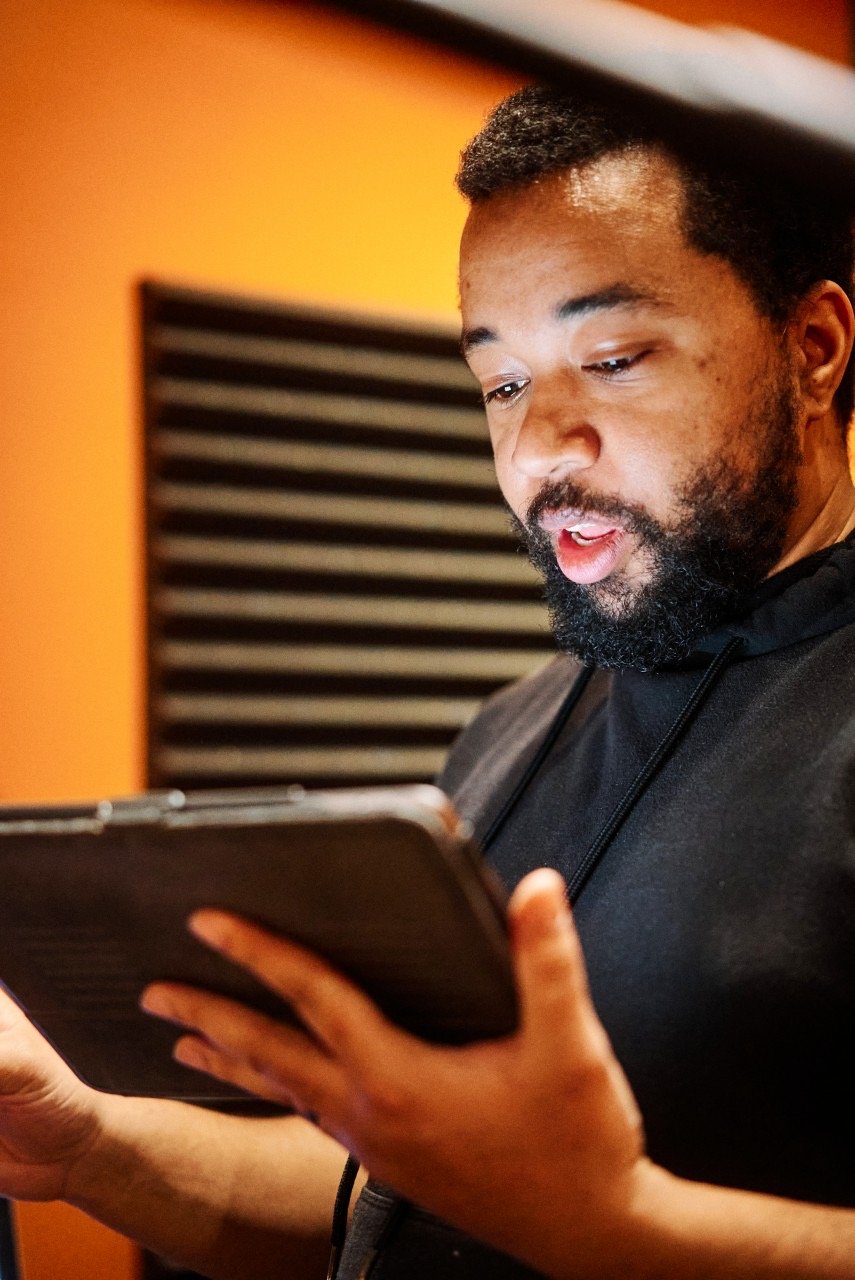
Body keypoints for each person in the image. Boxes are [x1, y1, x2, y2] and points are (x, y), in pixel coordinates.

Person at [1, 84, 854, 1279]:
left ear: (813, 348)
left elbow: (551, 1213)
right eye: (502, 382)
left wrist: (615, 1228)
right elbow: (383, 1198)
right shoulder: (509, 730)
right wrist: (86, 1141)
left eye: (612, 359)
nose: (539, 446)